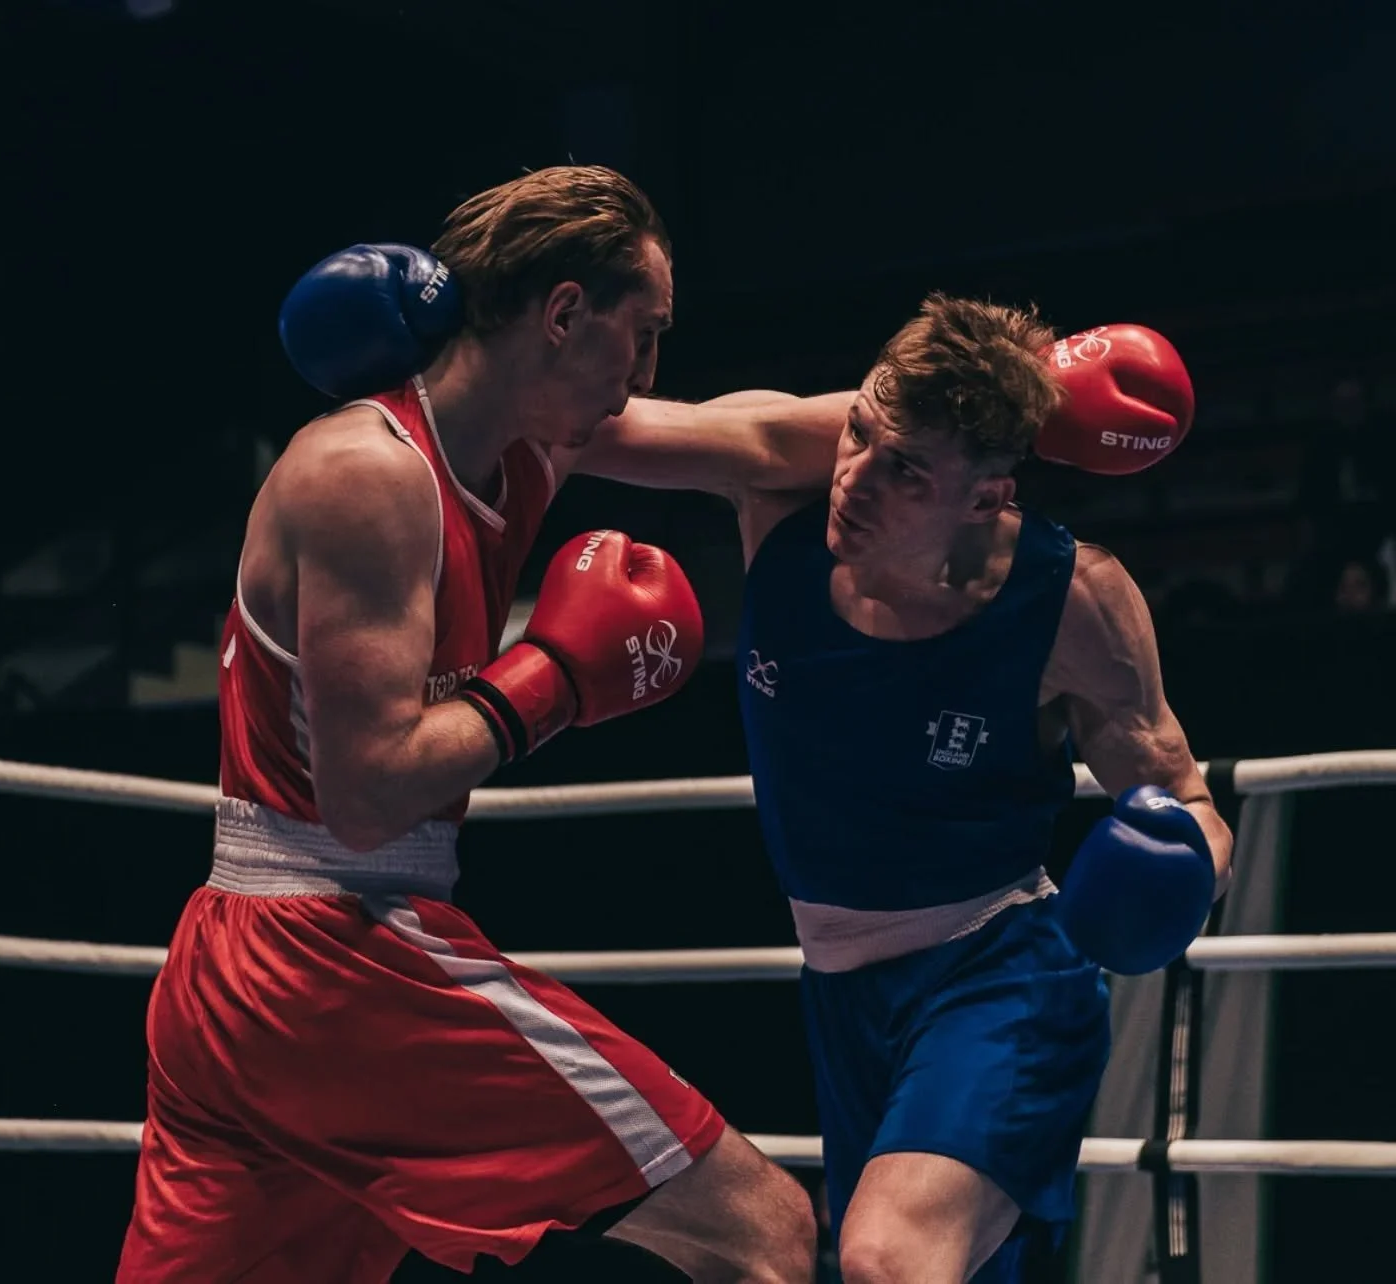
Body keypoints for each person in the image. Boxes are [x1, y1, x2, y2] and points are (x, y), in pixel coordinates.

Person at [277, 253, 1235, 1280]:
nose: (856, 479)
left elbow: (1182, 794)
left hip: (997, 974)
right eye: (860, 432)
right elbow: (574, 419)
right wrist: (441, 356)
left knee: (882, 1258)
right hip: (840, 995)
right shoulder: (781, 483)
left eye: (905, 469)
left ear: (987, 496)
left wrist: (1177, 862)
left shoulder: (1069, 603)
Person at [117, 167, 816, 1284]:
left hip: (254, 977)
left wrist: (1004, 406)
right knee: (759, 1234)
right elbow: (367, 795)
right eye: (639, 336)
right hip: (326, 946)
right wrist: (554, 672)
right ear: (561, 315)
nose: (646, 375)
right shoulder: (366, 472)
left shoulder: (529, 446)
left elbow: (768, 441)